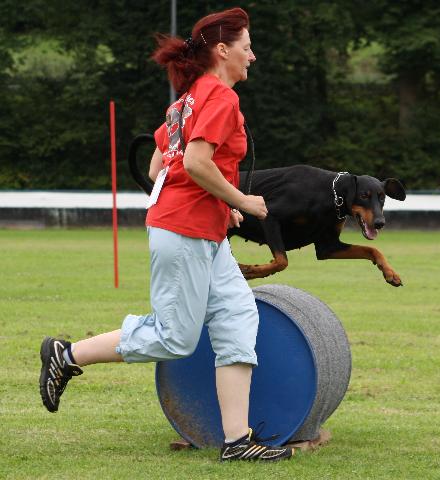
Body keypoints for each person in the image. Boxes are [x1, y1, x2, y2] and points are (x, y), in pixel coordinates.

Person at [38, 7, 293, 462]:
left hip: (199, 231)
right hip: (184, 231)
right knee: (176, 338)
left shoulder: (188, 99)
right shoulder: (218, 97)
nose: (252, 55)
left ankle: (237, 441)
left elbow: (161, 165)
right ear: (223, 50)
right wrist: (241, 201)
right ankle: (67, 353)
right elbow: (195, 163)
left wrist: (218, 204)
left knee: (238, 317)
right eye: (247, 46)